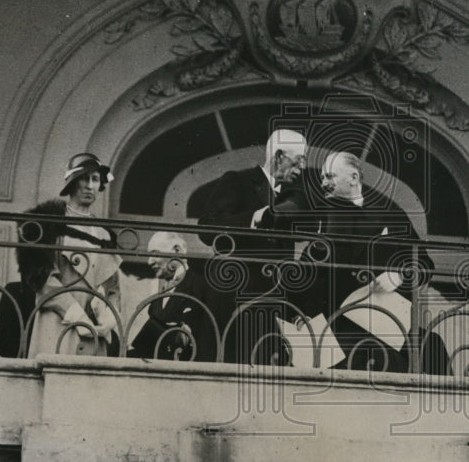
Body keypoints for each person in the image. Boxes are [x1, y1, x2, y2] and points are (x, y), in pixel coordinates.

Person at [293, 150, 450, 375]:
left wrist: (398, 275)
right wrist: (301, 315)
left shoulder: (390, 212)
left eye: (330, 177)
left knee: (433, 348)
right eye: (322, 178)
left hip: (387, 325)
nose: (324, 183)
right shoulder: (322, 217)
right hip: (339, 325)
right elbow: (304, 278)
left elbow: (423, 263)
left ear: (354, 178)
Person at [196, 129, 308, 364]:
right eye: (298, 161)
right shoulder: (238, 181)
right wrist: (255, 218)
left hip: (270, 308)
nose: (303, 168)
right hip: (234, 300)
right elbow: (207, 228)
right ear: (279, 157)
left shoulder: (292, 197)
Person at [17, 153, 122, 357]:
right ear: (72, 183)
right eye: (84, 178)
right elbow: (43, 280)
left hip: (94, 331)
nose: (90, 186)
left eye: (95, 179)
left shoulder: (103, 233)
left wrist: (109, 318)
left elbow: (112, 288)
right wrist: (76, 316)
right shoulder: (48, 224)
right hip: (58, 324)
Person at [127, 231, 220, 362]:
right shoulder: (158, 297)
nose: (149, 262)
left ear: (176, 250)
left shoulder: (203, 284)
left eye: (154, 253)